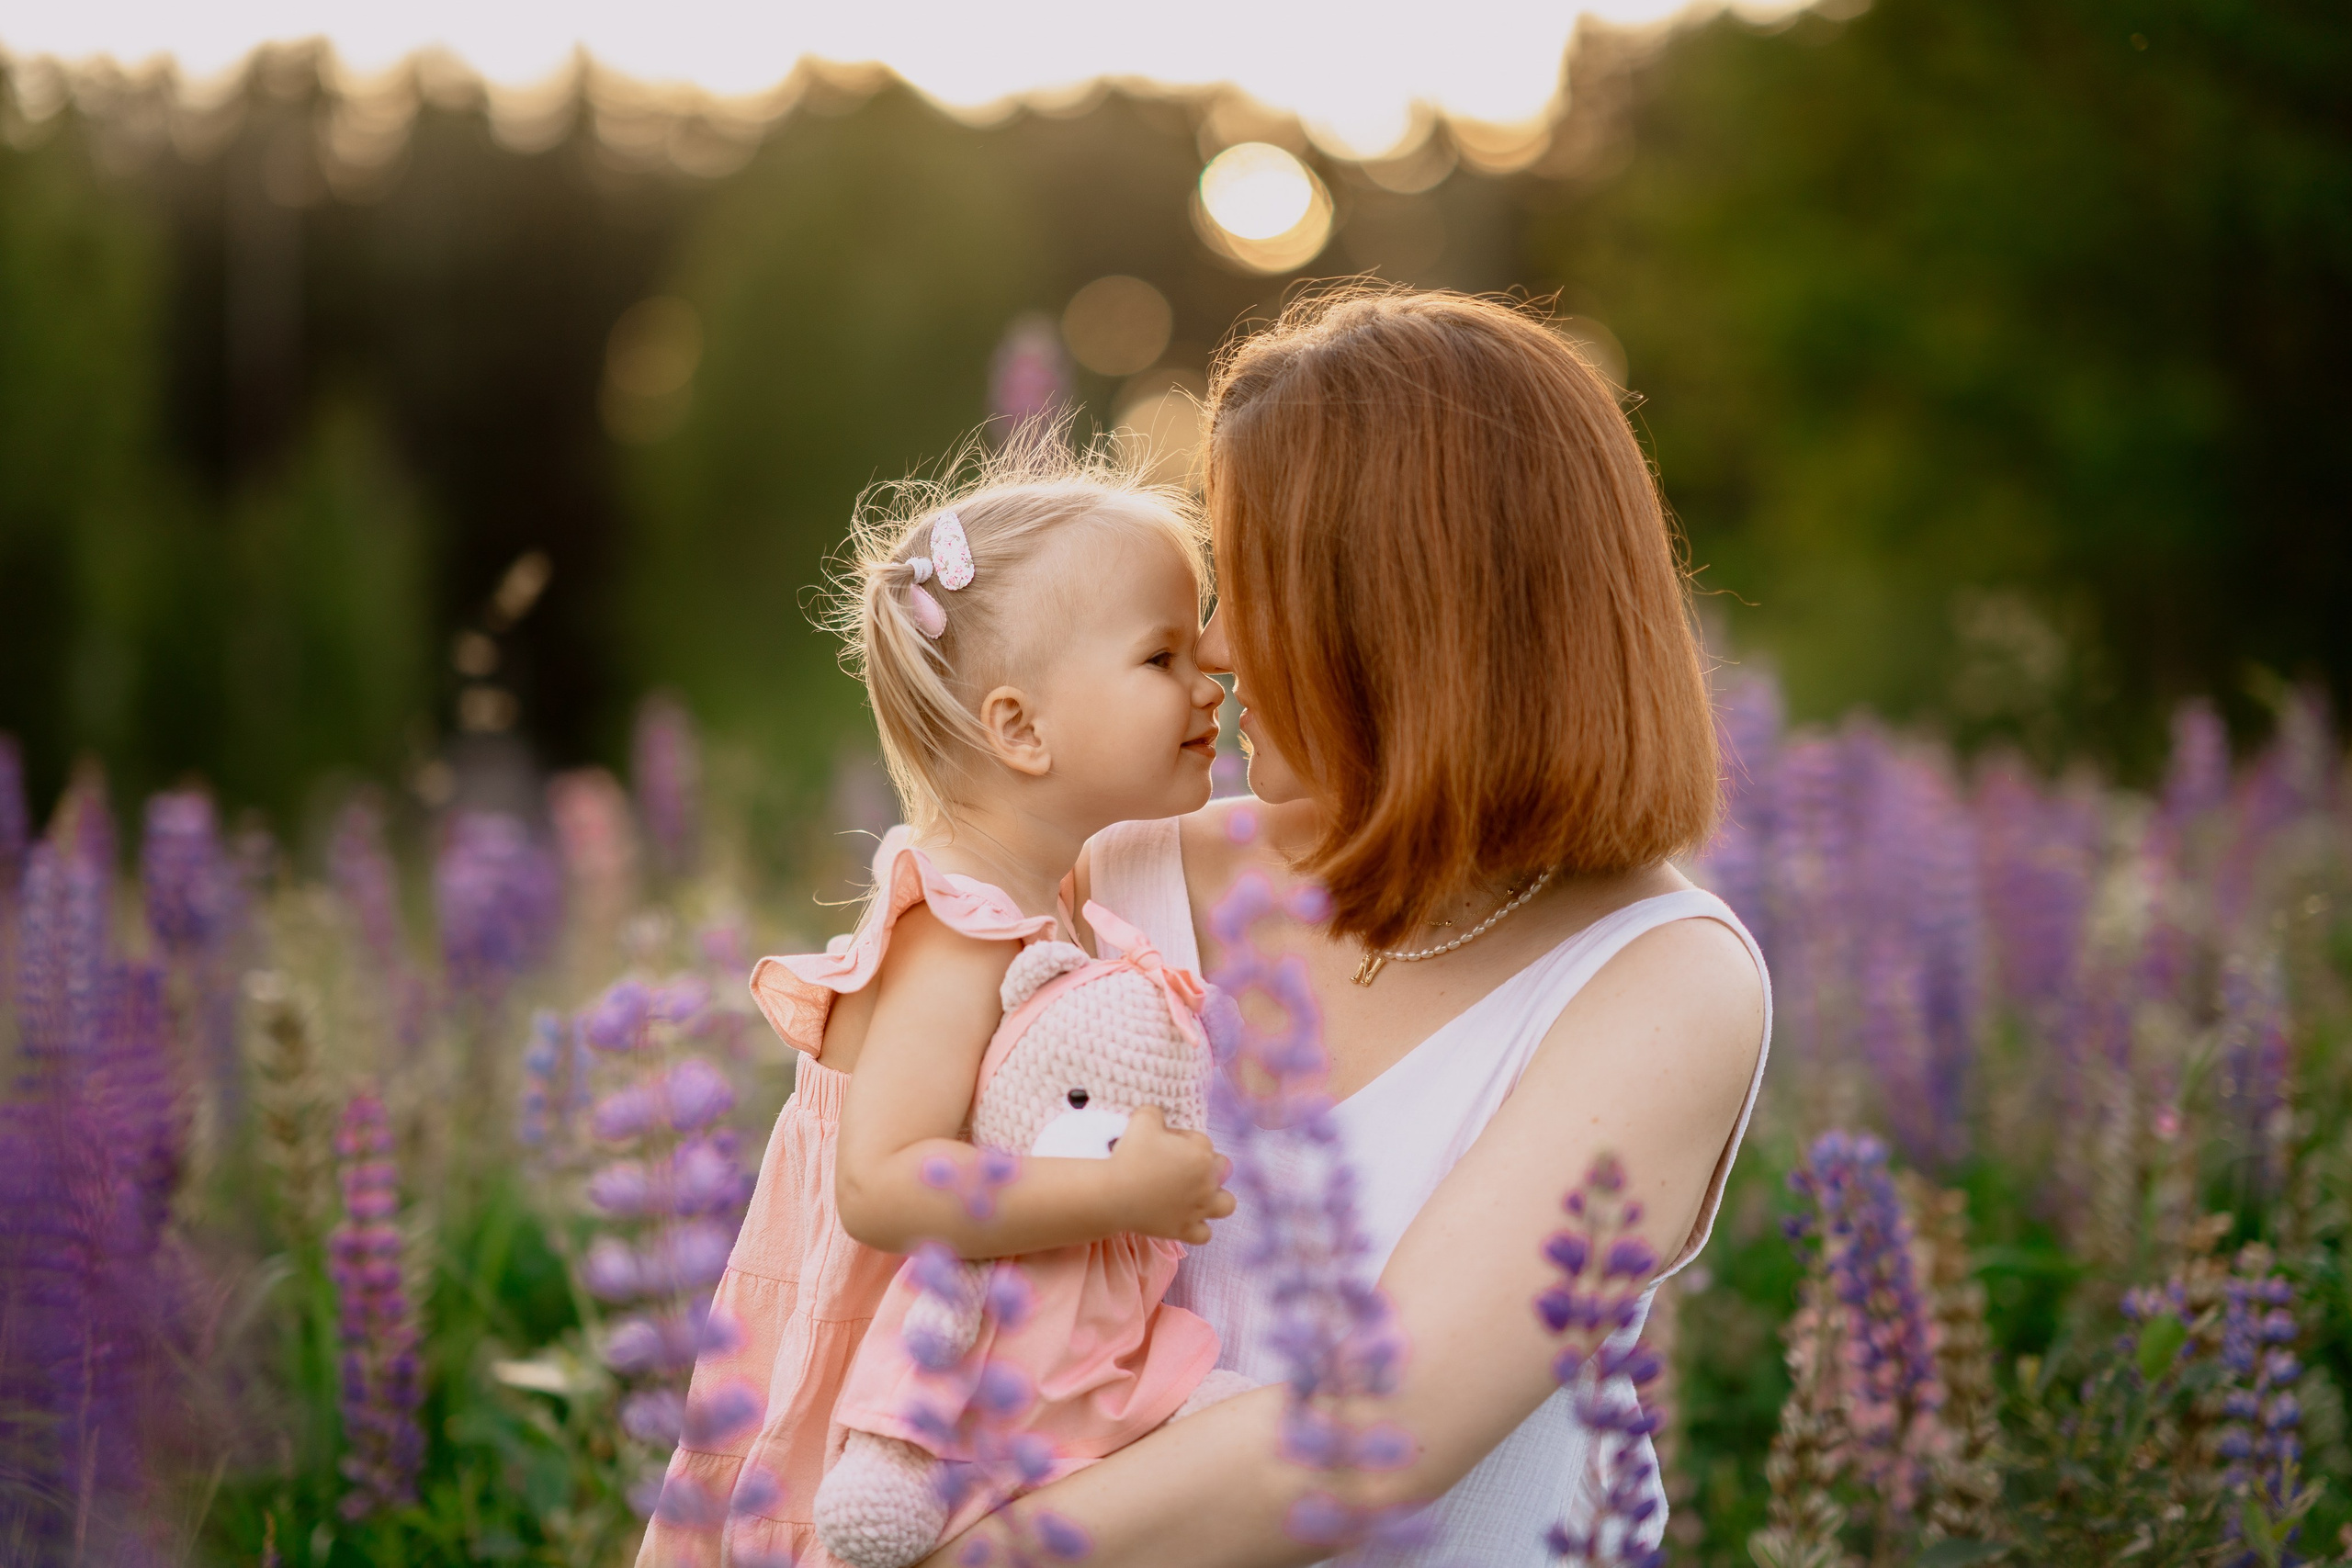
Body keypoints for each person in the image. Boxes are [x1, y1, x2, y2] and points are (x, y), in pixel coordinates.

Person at [925, 288, 1772, 1566]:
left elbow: (1371, 1431)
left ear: (1401, 619)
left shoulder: (1665, 978)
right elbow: (862, 1243)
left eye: (1253, 583)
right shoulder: (1111, 871)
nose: (1213, 647)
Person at [640, 448, 1238, 1568]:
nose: (1211, 677)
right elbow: (879, 1183)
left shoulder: (1040, 895)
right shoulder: (957, 931)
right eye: (1161, 655)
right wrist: (1118, 1191)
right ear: (1019, 729)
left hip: (969, 1373)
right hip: (884, 1407)